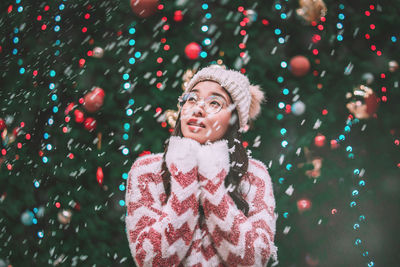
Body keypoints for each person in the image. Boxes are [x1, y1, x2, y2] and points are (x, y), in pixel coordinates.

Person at [125, 65, 278, 266]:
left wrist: (213, 181)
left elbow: (253, 259)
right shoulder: (147, 171)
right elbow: (151, 260)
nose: (198, 108)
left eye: (215, 103)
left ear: (234, 120)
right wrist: (184, 177)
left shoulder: (254, 175)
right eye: (191, 99)